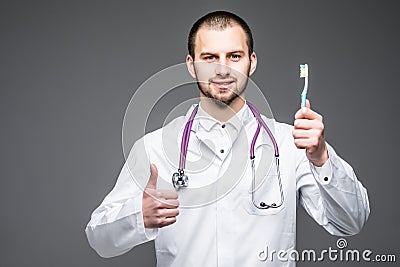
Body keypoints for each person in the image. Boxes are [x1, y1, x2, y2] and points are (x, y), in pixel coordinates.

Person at [85, 11, 369, 266]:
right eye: (209, 58)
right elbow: (99, 240)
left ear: (251, 62)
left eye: (234, 56)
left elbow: (350, 223)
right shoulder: (154, 147)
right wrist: (138, 217)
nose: (223, 69)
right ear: (191, 65)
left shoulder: (290, 145)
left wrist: (321, 158)